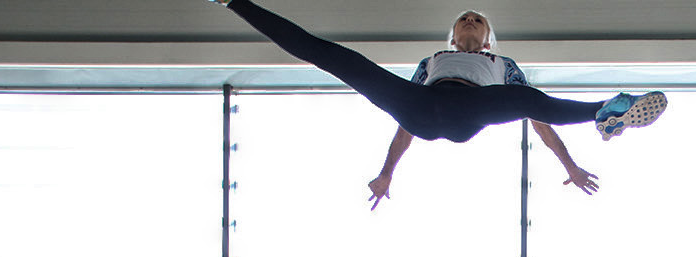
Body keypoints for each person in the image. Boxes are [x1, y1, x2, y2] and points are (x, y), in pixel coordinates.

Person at [207, 2, 668, 207]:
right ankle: (233, 0)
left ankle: (602, 113)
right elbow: (404, 124)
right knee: (334, 57)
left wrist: (568, 165)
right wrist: (388, 170)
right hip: (424, 108)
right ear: (453, 36)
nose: (470, 20)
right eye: (464, 19)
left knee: (530, 97)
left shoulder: (503, 64)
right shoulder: (432, 60)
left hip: (472, 111)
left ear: (486, 37)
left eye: (479, 20)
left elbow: (536, 114)